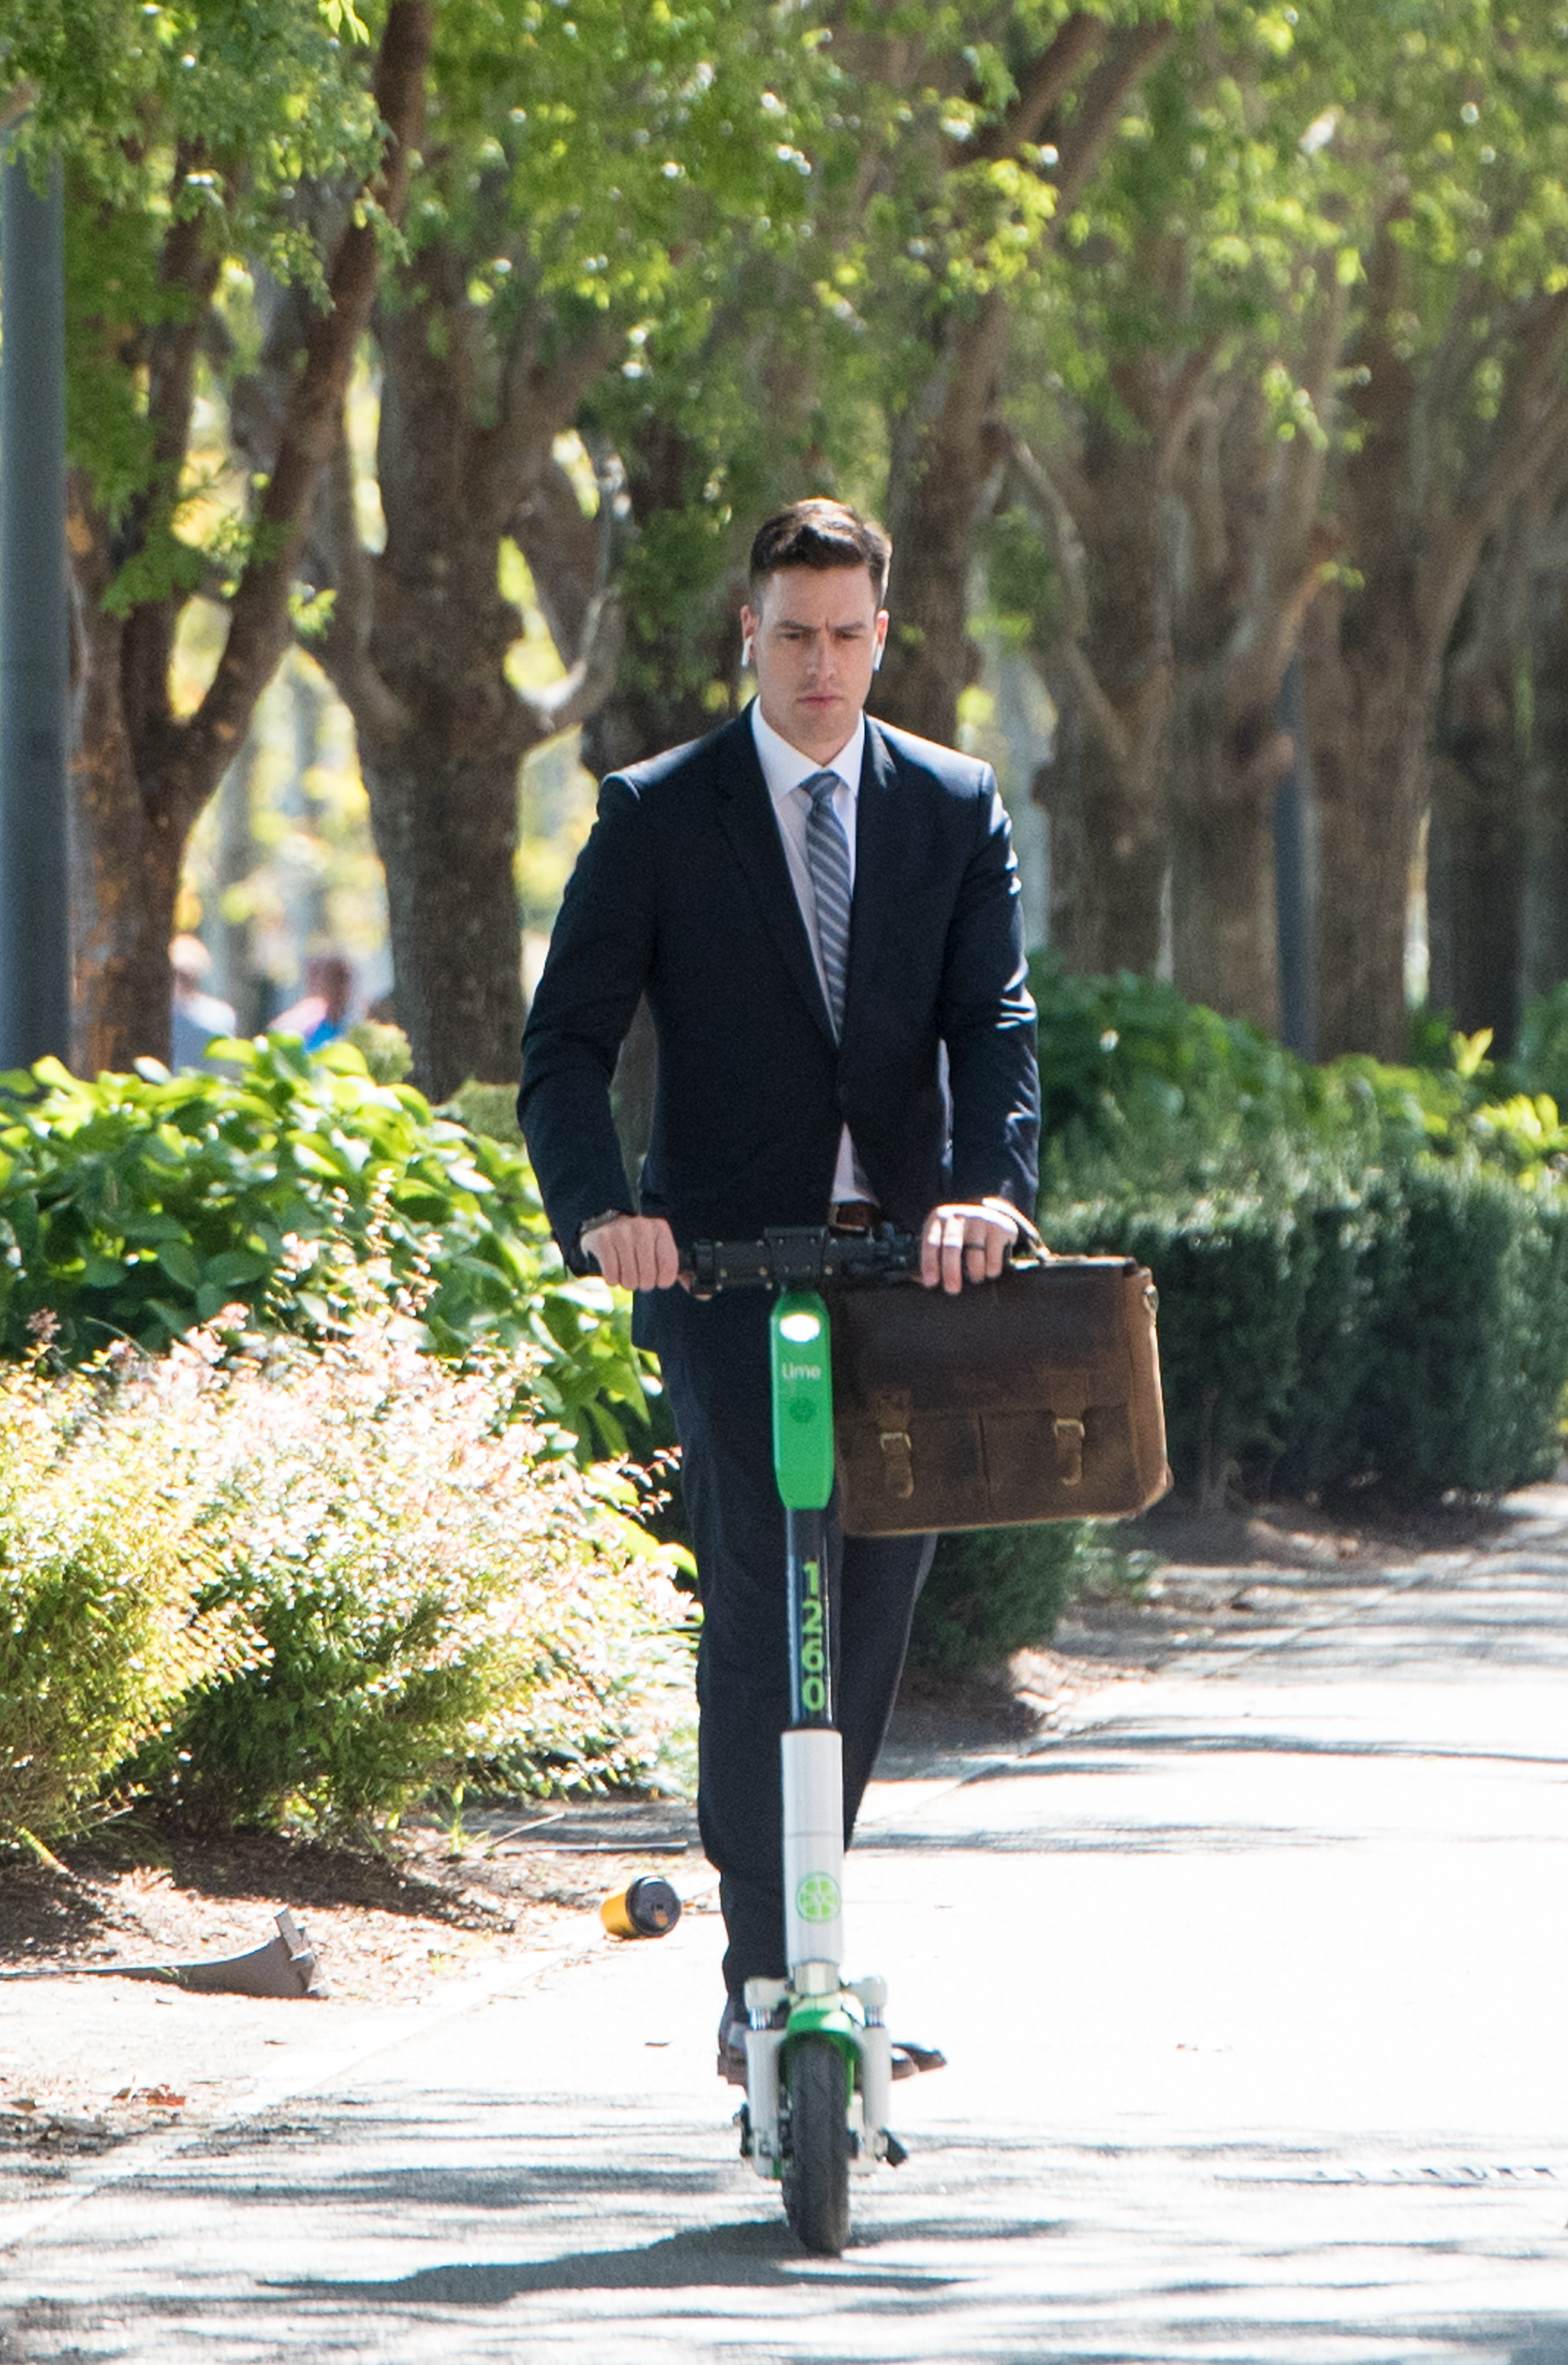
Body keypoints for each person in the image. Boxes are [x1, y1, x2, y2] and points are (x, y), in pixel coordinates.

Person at [519, 497, 1037, 2081]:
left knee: (871, 1603)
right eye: (791, 633)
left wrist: (989, 1199)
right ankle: (766, 1975)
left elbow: (994, 1030)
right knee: (764, 1592)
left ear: (883, 635)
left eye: (846, 634)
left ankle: (801, 1913)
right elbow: (564, 1050)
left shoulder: (952, 805)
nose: (820, 664)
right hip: (728, 1276)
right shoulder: (659, 813)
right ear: (748, 633)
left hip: (907, 1277)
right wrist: (606, 1212)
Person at [169, 933, 237, 1070]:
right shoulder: (155, 1015)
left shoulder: (219, 1015)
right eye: (179, 973)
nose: (185, 979)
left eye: (189, 975)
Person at [270, 950, 356, 1049]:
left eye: (345, 980)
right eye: (333, 979)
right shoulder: (300, 1023)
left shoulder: (356, 1023)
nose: (340, 987)